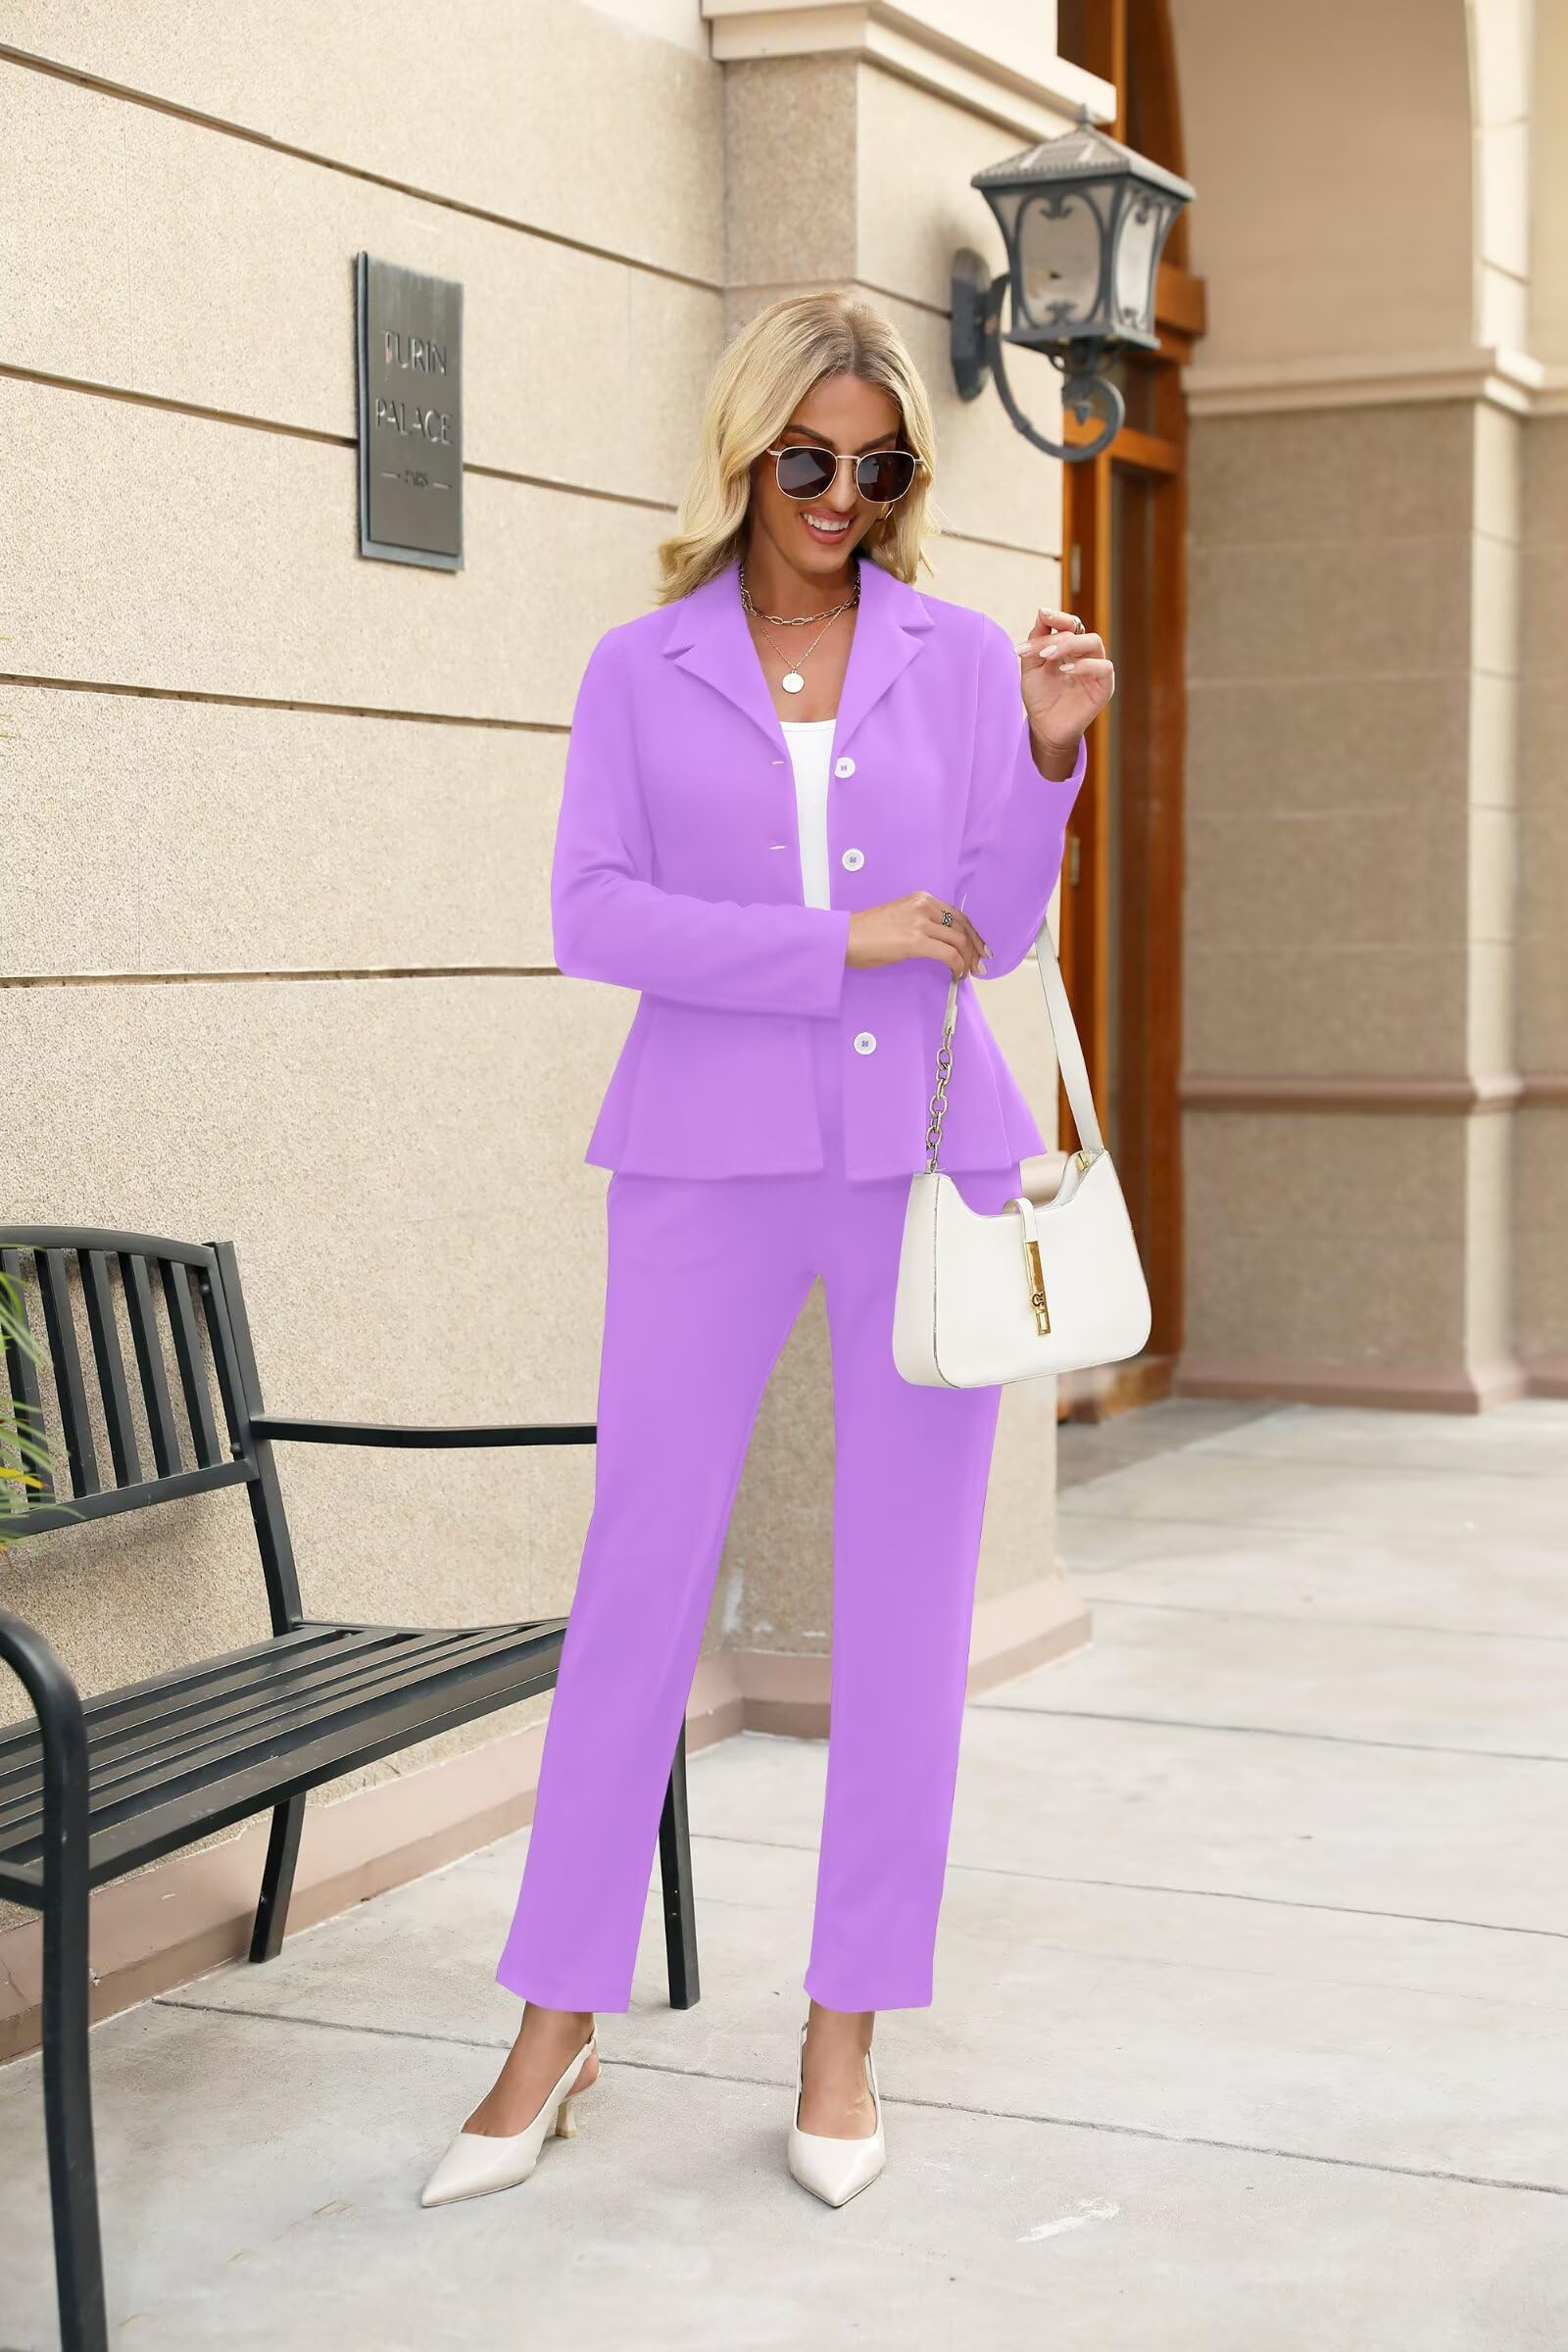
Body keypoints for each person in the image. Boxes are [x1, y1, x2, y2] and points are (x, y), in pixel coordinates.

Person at [420, 288, 1112, 2213]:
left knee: (906, 1603)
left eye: (876, 466)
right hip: (701, 1155)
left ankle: (844, 2029)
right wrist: (831, 945)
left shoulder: (960, 657)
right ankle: (553, 2021)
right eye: (807, 456)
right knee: (638, 1577)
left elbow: (990, 930)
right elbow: (592, 915)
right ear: (745, 451)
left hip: (923, 1154)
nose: (838, 493)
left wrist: (1047, 760)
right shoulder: (638, 667)